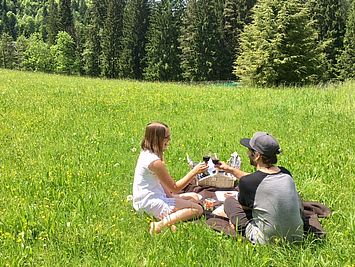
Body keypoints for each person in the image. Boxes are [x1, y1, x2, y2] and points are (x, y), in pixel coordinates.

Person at [217, 132, 304, 244]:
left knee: (229, 202)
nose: (247, 153)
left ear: (257, 155)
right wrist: (231, 170)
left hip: (267, 241)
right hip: (297, 236)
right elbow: (259, 178)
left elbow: (245, 209)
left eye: (249, 150)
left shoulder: (247, 182)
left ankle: (237, 225)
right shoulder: (286, 173)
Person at [132, 122, 208, 234]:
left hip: (145, 198)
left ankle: (171, 217)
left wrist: (171, 196)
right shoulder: (155, 162)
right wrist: (194, 172)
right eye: (167, 137)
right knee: (198, 209)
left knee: (195, 196)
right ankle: (159, 225)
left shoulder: (147, 152)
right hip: (149, 202)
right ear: (157, 139)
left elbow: (162, 182)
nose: (169, 140)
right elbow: (175, 187)